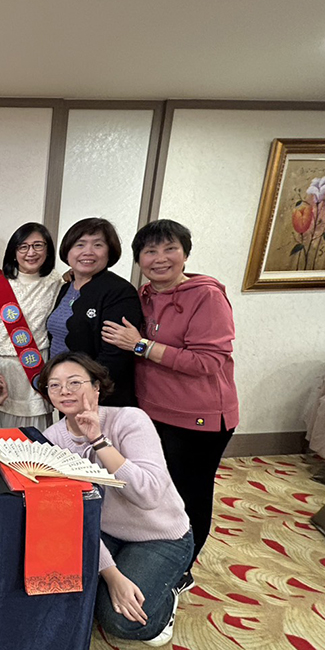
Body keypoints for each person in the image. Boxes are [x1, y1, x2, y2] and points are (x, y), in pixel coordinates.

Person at [101, 219, 238, 578]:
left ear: (185, 253)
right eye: (150, 251)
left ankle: (182, 571)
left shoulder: (207, 296)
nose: (160, 258)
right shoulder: (144, 295)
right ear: (139, 259)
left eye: (169, 249)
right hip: (152, 412)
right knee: (155, 491)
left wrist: (141, 346)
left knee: (188, 495)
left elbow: (208, 361)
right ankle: (155, 557)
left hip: (198, 417)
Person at [39, 352, 193, 647]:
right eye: (54, 385)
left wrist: (98, 441)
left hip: (158, 535)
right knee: (62, 594)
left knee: (121, 620)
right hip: (102, 532)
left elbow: (148, 495)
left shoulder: (130, 420)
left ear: (96, 387)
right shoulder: (51, 439)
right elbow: (71, 517)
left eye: (74, 382)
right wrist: (110, 574)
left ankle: (171, 590)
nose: (64, 391)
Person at [47, 217, 142, 407]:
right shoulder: (66, 288)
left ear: (109, 252)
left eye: (98, 245)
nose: (88, 252)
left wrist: (82, 389)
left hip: (100, 398)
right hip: (66, 393)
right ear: (67, 251)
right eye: (80, 244)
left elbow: (115, 357)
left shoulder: (119, 292)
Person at [0, 222, 61, 429]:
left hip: (37, 367)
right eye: (23, 247)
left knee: (35, 435)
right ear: (14, 252)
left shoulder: (57, 283)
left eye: (38, 245)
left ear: (48, 249)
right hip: (2, 368)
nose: (31, 253)